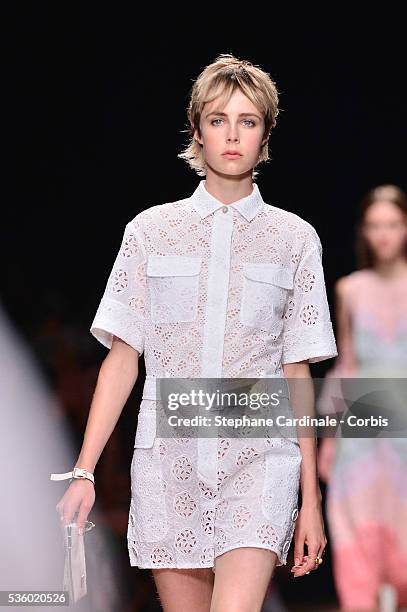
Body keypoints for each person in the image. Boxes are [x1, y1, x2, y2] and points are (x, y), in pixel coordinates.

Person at [54, 53, 338, 611]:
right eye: (218, 120)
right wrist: (85, 470)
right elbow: (122, 358)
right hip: (168, 461)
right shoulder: (150, 231)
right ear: (197, 130)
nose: (232, 135)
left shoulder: (295, 239)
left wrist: (312, 497)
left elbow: (296, 370)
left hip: (261, 459)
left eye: (248, 121)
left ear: (265, 134)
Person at [318, 184, 407, 611]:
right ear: (364, 232)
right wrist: (331, 439)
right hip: (363, 436)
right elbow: (347, 365)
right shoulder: (350, 289)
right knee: (357, 545)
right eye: (375, 226)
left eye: (392, 224)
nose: (384, 235)